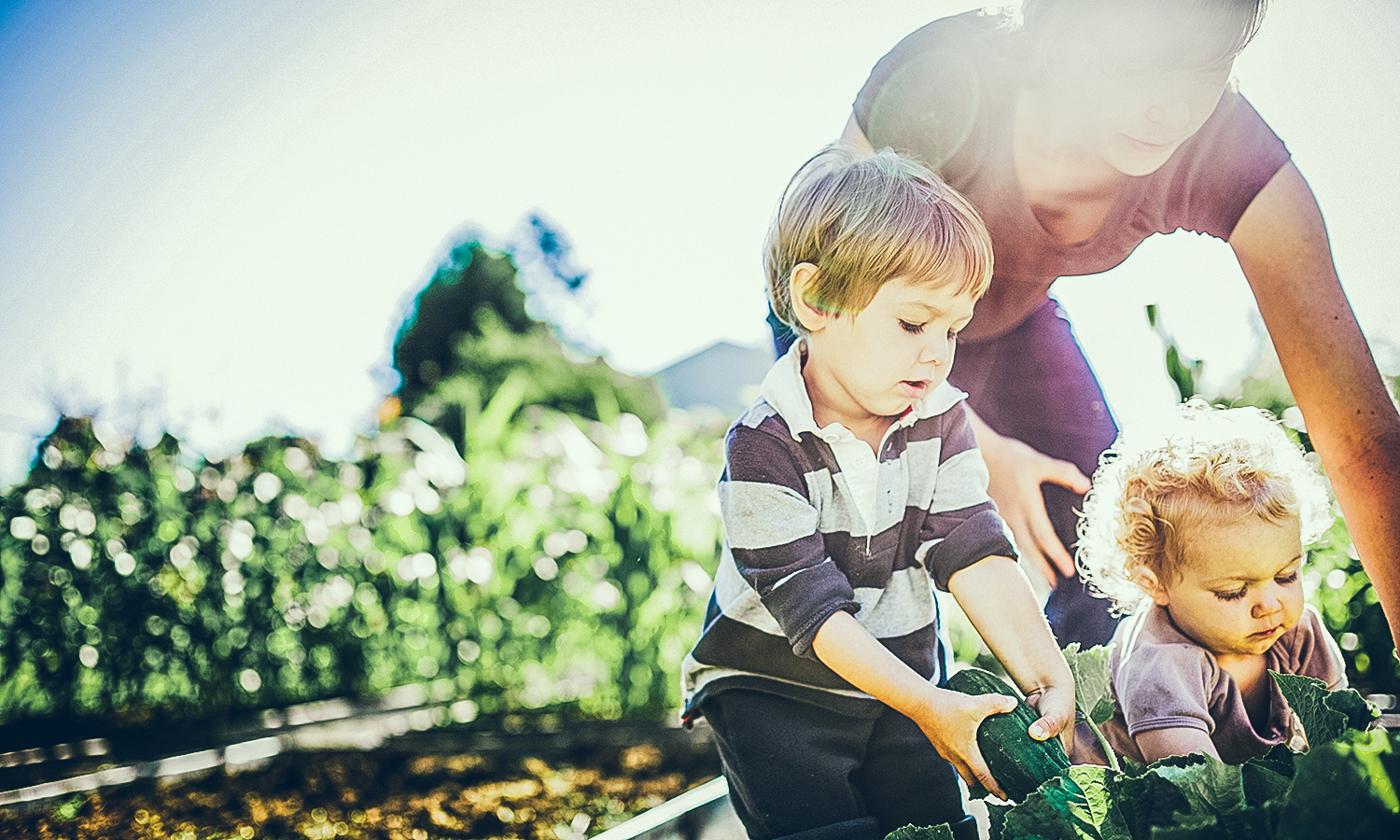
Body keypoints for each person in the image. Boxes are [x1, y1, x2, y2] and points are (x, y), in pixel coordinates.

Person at [767, 0, 1400, 650]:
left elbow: (1363, 444)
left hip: (1013, 328)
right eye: (1136, 64)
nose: (1173, 111)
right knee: (864, 559)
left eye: (1209, 65)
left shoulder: (1229, 153)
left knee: (1101, 538)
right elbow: (832, 291)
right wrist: (970, 443)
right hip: (848, 329)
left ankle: (1101, 736)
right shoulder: (944, 81)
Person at [682, 145, 1074, 840]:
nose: (938, 352)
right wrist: (928, 704)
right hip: (774, 693)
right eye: (913, 323)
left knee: (936, 826)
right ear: (816, 301)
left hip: (901, 675)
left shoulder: (942, 420)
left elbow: (973, 548)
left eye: (954, 329)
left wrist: (1044, 673)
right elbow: (810, 608)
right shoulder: (763, 445)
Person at [1074, 399, 1345, 764]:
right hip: (1148, 805)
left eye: (1286, 576)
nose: (1270, 603)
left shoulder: (1299, 635)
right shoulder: (1159, 666)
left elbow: (1350, 742)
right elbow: (1197, 793)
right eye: (1233, 592)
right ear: (1156, 585)